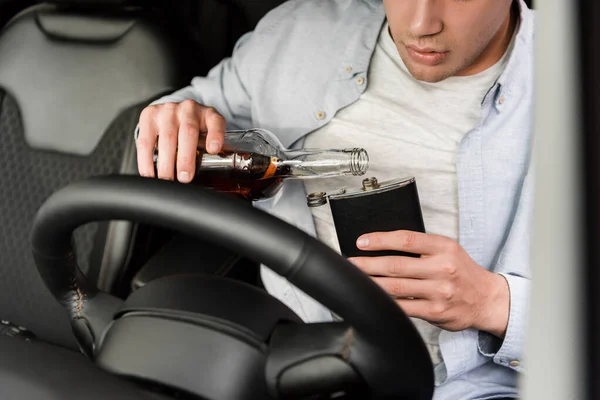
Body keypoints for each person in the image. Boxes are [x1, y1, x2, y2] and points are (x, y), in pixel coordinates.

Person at [134, 0, 534, 398]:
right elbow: (179, 119)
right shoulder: (298, 33)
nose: (420, 24)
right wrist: (172, 122)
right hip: (290, 363)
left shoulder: (575, 93)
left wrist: (493, 303)